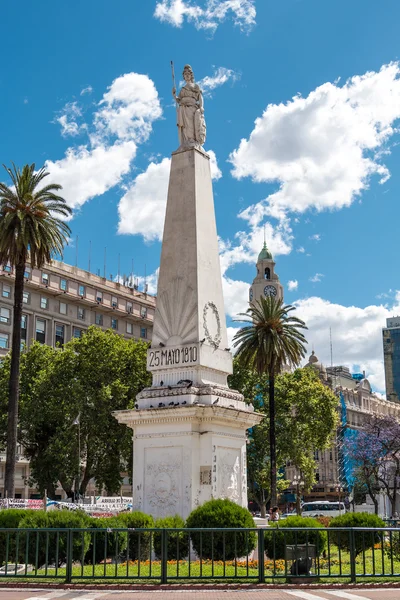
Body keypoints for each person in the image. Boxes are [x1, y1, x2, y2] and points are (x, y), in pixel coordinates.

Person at [172, 64, 206, 148]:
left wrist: (201, 106)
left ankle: (192, 140)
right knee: (185, 127)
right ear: (183, 76)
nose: (187, 76)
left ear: (191, 75)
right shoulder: (183, 88)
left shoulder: (195, 86)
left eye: (188, 74)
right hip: (183, 109)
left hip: (192, 107)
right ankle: (187, 141)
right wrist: (174, 94)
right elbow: (178, 100)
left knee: (191, 125)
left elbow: (200, 97)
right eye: (185, 74)